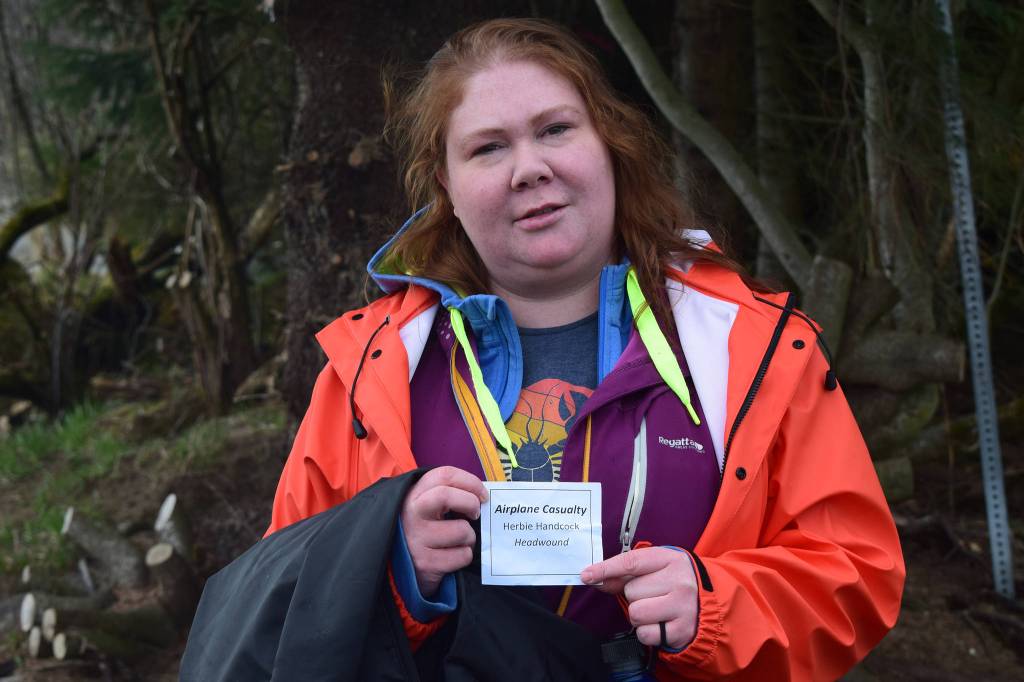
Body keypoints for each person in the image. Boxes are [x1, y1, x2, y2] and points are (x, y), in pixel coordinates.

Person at [264, 17, 905, 681]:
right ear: (446, 188)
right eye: (487, 148)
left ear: (609, 143)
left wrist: (713, 605)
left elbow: (854, 572)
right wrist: (393, 568)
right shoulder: (373, 369)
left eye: (555, 129)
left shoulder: (753, 346)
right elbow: (279, 604)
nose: (530, 168)